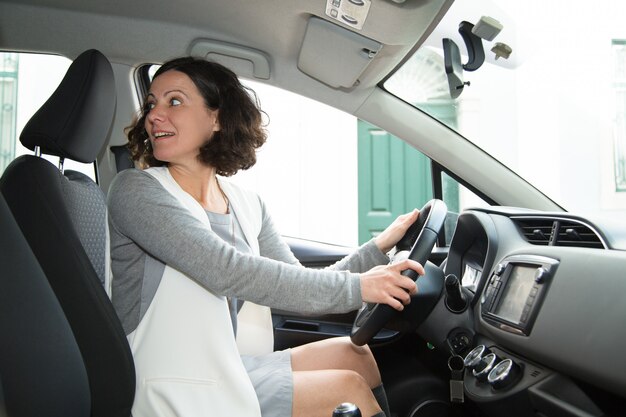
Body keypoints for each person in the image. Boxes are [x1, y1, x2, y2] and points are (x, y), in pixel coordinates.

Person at [107, 57, 425, 417]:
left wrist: (378, 247)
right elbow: (227, 270)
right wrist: (359, 286)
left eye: (174, 101)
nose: (154, 115)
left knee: (354, 354)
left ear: (217, 117)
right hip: (168, 381)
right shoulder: (135, 191)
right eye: (151, 104)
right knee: (345, 388)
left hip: (225, 367)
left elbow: (301, 289)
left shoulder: (245, 203)